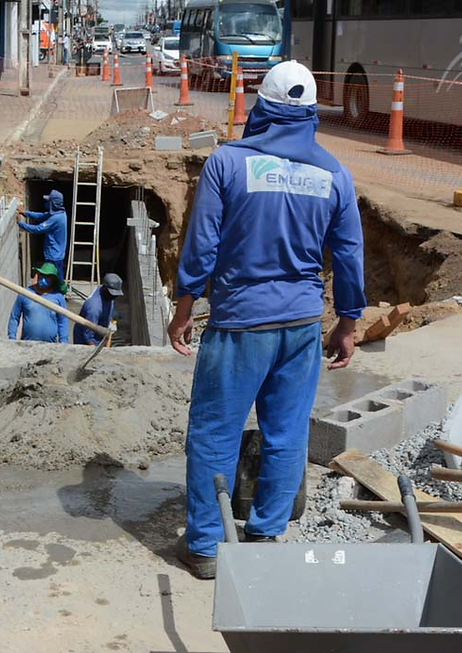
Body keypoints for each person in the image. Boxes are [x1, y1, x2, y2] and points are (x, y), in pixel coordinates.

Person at [167, 61, 365, 580]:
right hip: (301, 326)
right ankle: (265, 534)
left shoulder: (228, 162)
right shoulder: (334, 174)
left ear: (263, 107)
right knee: (287, 433)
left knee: (215, 433)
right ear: (310, 113)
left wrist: (184, 309)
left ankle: (206, 547)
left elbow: (202, 245)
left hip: (240, 324)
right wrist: (347, 323)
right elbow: (348, 254)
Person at [18, 190, 68, 290]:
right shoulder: (60, 213)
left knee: (55, 280)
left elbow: (38, 229)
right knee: (55, 278)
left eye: (49, 201)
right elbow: (42, 216)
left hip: (54, 255)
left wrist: (20, 224)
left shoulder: (56, 218)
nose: (47, 203)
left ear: (53, 203)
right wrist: (26, 213)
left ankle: (59, 294)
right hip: (56, 253)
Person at [7, 263, 69, 343]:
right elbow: (14, 317)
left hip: (50, 345)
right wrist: (12, 337)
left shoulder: (58, 297)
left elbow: (62, 321)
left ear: (53, 280)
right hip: (27, 344)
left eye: (48, 276)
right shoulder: (25, 293)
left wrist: (63, 342)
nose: (43, 278)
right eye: (42, 275)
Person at [73, 273, 123, 345]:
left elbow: (110, 323)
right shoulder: (94, 308)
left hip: (100, 334)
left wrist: (107, 341)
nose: (114, 297)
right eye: (112, 295)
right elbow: (88, 337)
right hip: (86, 342)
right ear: (105, 288)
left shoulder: (108, 295)